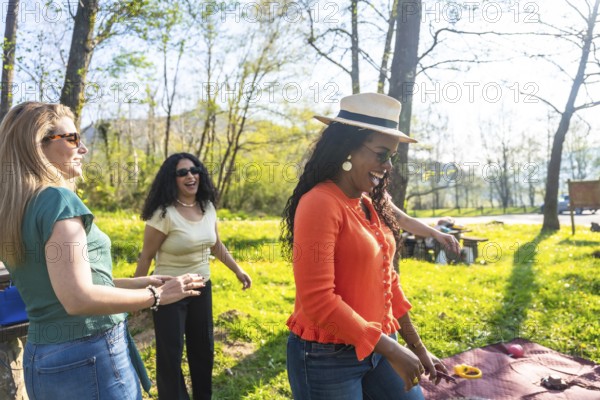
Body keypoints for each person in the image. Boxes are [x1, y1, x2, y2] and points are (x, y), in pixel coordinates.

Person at [0, 102, 205, 400]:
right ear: (37, 145)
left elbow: (56, 288)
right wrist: (158, 296)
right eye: (71, 138)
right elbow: (77, 298)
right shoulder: (57, 201)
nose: (82, 148)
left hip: (41, 357)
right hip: (88, 355)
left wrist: (139, 283)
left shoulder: (15, 209)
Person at [281, 93, 460, 399]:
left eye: (391, 157)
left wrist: (416, 346)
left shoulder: (368, 203)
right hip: (328, 358)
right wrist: (393, 349)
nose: (388, 166)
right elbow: (318, 301)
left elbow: (387, 279)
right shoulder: (319, 203)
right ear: (347, 149)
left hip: (379, 347)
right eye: (381, 155)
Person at [134, 153, 252, 400]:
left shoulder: (207, 207)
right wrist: (136, 297)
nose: (190, 176)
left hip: (201, 287)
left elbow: (216, 245)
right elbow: (146, 257)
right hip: (169, 292)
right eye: (182, 173)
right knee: (170, 354)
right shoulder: (164, 214)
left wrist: (238, 270)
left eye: (194, 170)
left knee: (203, 350)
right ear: (172, 179)